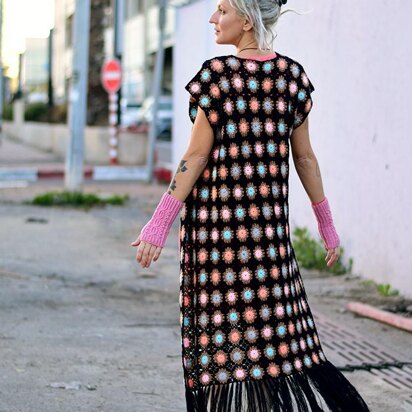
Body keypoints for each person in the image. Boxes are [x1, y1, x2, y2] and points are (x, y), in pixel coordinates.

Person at [132, 0, 371, 410]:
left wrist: (158, 223)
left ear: (246, 20)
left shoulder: (216, 78)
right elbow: (306, 158)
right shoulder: (292, 78)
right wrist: (326, 225)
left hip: (216, 240)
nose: (212, 18)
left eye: (222, 10)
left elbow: (196, 157)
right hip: (267, 246)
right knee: (276, 343)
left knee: (228, 348)